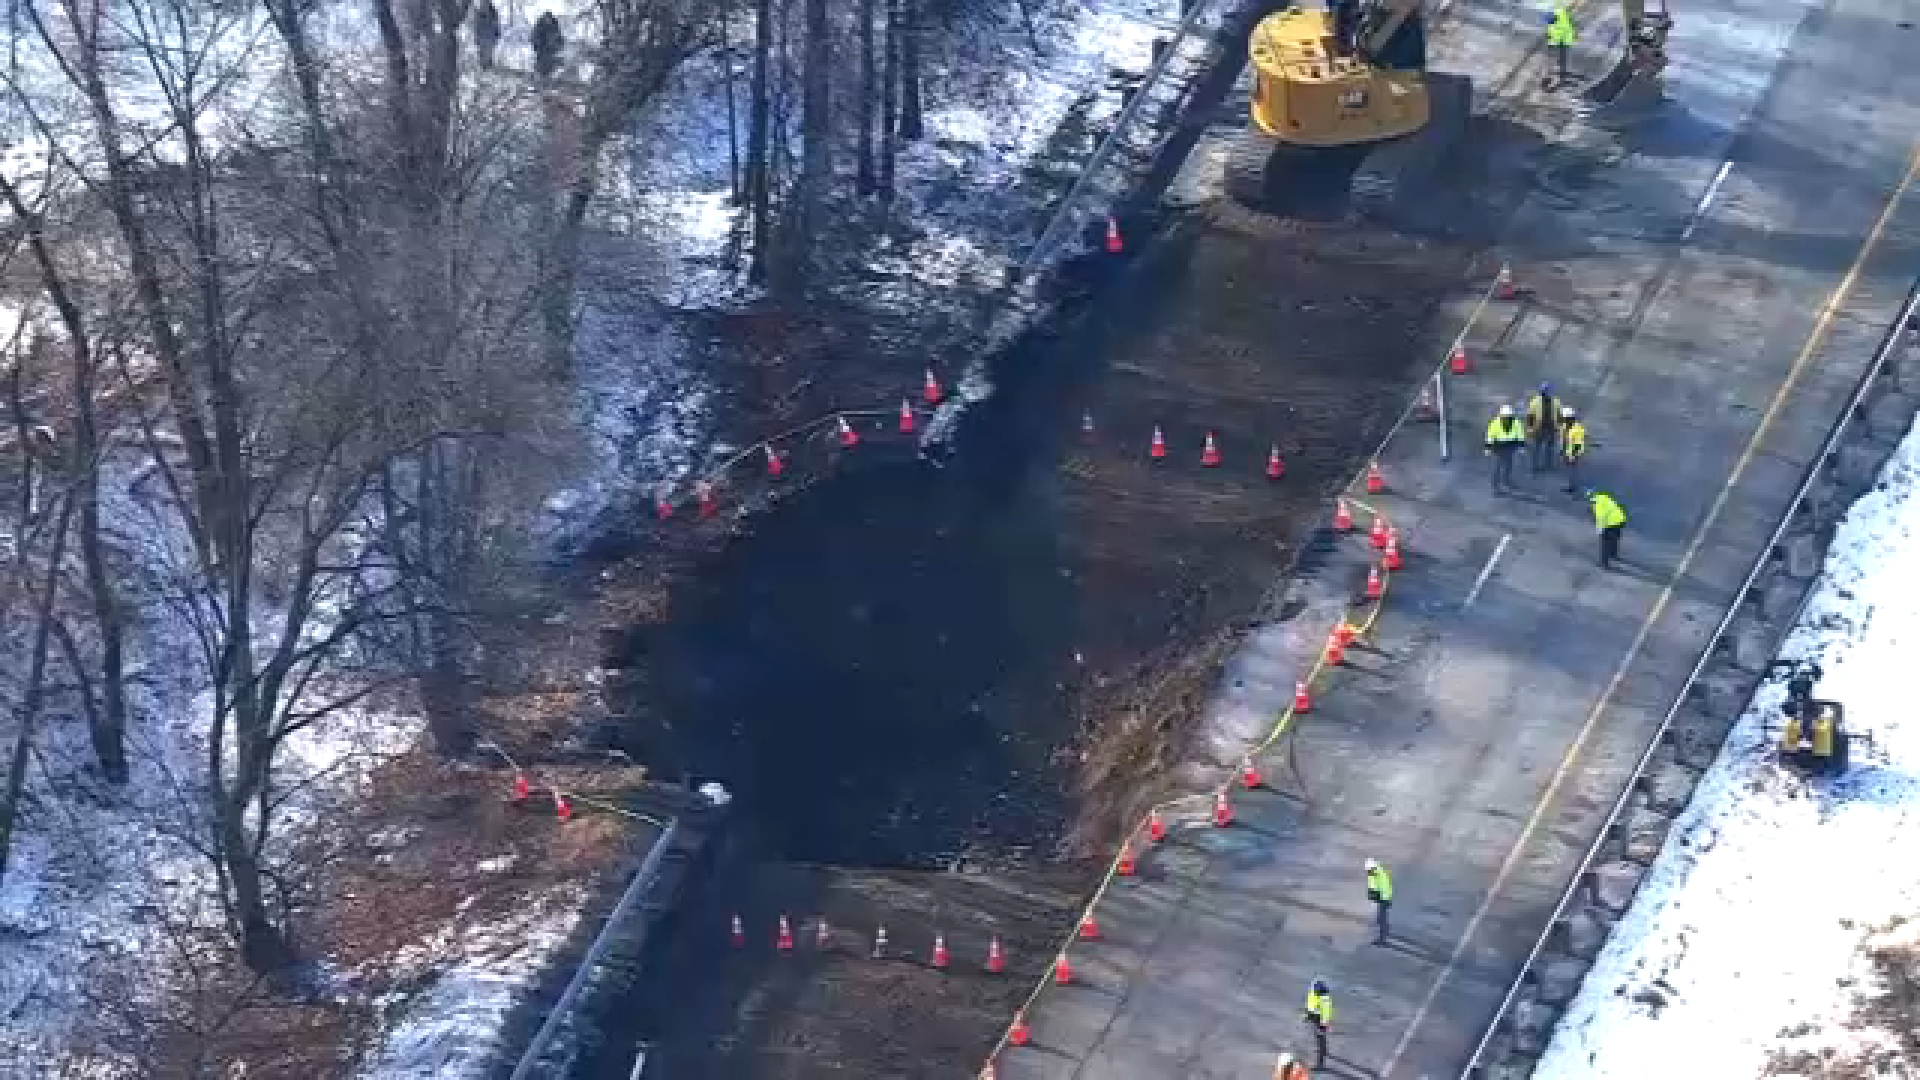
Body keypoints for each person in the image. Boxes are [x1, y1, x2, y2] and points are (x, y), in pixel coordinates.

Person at [1485, 404, 1525, 492]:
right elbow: (1490, 436)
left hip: (1510, 447)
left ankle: (1507, 481)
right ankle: (1495, 486)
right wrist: (1488, 448)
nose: (1506, 418)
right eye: (1505, 416)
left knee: (1508, 465)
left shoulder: (1516, 423)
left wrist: (1521, 447)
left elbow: (1520, 435)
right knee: (1497, 467)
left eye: (1508, 416)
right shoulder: (1495, 423)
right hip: (1498, 447)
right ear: (1501, 415)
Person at [1525, 383, 1560, 473]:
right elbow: (1530, 416)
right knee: (1536, 448)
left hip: (1551, 427)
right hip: (1538, 428)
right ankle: (1534, 466)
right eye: (1544, 391)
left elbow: (1559, 415)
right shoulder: (1535, 401)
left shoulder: (1556, 401)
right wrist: (1530, 428)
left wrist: (1559, 427)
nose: (1545, 392)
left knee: (1549, 448)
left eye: (1547, 390)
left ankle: (1547, 465)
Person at [1588, 489, 1627, 569]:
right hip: (1619, 520)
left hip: (1612, 523)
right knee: (1614, 538)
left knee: (1605, 542)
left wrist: (1600, 531)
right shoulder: (1606, 498)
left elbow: (1601, 519)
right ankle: (1613, 554)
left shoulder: (1598, 505)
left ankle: (1604, 563)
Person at [1303, 979, 1334, 1069]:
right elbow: (1309, 1005)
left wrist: (1323, 1025)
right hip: (1314, 1018)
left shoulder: (1324, 999)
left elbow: (1327, 1012)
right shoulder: (1312, 993)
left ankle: (1320, 1064)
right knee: (1318, 1038)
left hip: (1320, 1021)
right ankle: (1323, 1051)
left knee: (1320, 1039)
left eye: (1317, 990)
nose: (1315, 991)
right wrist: (1307, 1015)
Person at [1546, 2, 1577, 87]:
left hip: (1563, 36)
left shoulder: (1566, 7)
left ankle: (1560, 77)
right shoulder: (1557, 6)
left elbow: (1569, 21)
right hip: (1557, 35)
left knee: (1562, 58)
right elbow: (1550, 19)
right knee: (1556, 57)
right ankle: (1552, 77)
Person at [1365, 857, 1394, 945]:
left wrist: (1375, 896)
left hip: (1383, 899)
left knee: (1381, 919)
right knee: (1381, 919)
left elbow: (1378, 887)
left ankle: (1382, 938)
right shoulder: (1378, 872)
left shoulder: (1378, 874)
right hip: (1383, 898)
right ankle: (1383, 936)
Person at [1561, 406, 1587, 494]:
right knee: (1569, 470)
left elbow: (1578, 444)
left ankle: (1572, 487)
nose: (1564, 420)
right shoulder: (1566, 426)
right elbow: (1564, 438)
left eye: (1565, 418)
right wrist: (1563, 449)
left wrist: (1572, 456)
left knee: (1573, 470)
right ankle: (1571, 485)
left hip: (1575, 452)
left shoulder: (1577, 429)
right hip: (1568, 450)